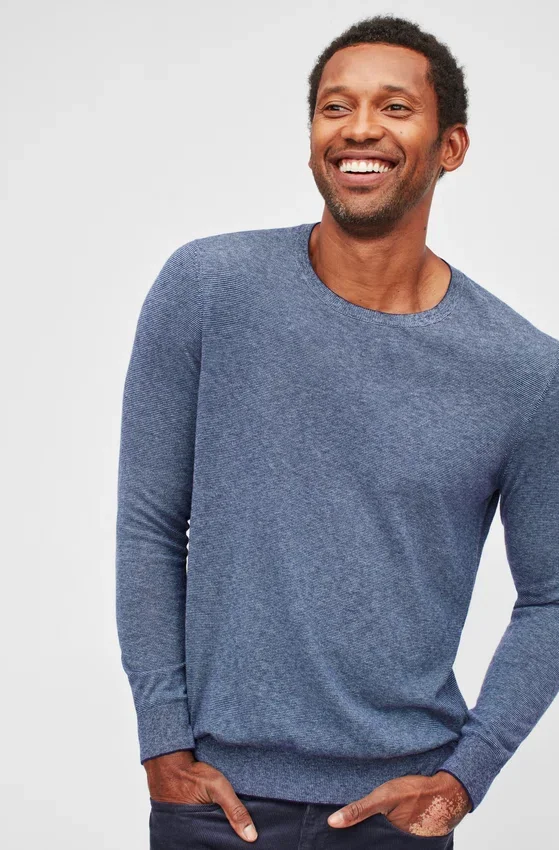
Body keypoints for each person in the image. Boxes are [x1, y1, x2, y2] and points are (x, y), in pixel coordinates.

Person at [115, 14, 559, 849]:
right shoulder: (209, 290)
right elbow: (150, 525)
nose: (358, 128)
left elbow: (551, 596)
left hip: (396, 815)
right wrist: (162, 744)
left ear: (450, 146)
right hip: (213, 803)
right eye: (334, 106)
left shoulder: (523, 371)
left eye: (394, 107)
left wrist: (464, 778)